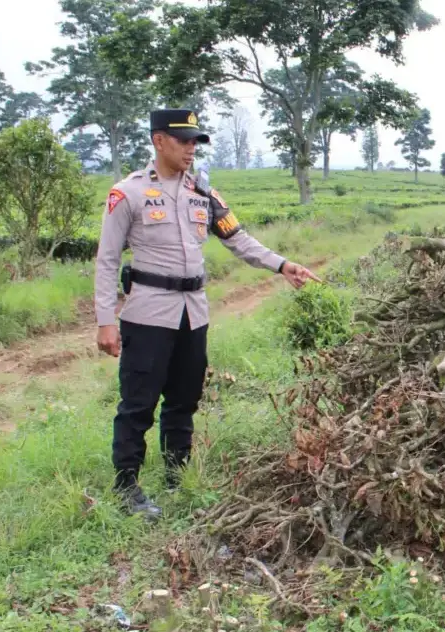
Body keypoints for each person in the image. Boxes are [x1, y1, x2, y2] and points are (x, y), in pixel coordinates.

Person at [94, 109, 321, 520]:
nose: (191, 149)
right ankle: (126, 485)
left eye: (195, 142)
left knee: (184, 399)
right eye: (183, 141)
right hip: (147, 314)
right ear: (159, 140)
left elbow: (239, 240)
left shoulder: (204, 194)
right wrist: (105, 320)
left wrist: (282, 265)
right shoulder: (128, 193)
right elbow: (107, 260)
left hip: (192, 314)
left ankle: (177, 476)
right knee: (138, 403)